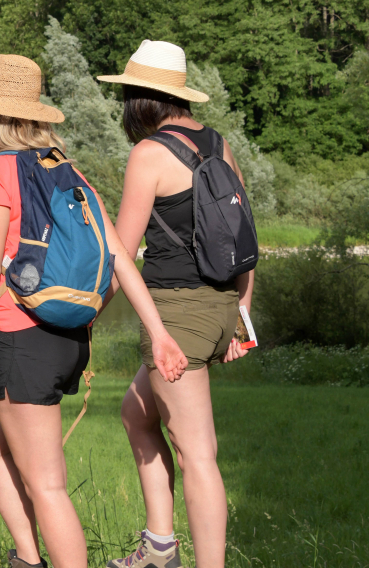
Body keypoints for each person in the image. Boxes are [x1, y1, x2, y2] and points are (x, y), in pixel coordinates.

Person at [0, 54, 189, 568]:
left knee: (48, 485)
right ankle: (28, 559)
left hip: (23, 338)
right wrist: (157, 332)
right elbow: (119, 257)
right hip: (68, 339)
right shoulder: (65, 168)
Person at [97, 40, 255, 568]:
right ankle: (159, 548)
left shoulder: (148, 155)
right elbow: (245, 238)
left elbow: (120, 253)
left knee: (197, 455)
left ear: (142, 99)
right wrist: (240, 315)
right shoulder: (219, 145)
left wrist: (87, 321)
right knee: (135, 415)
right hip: (215, 310)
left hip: (176, 317)